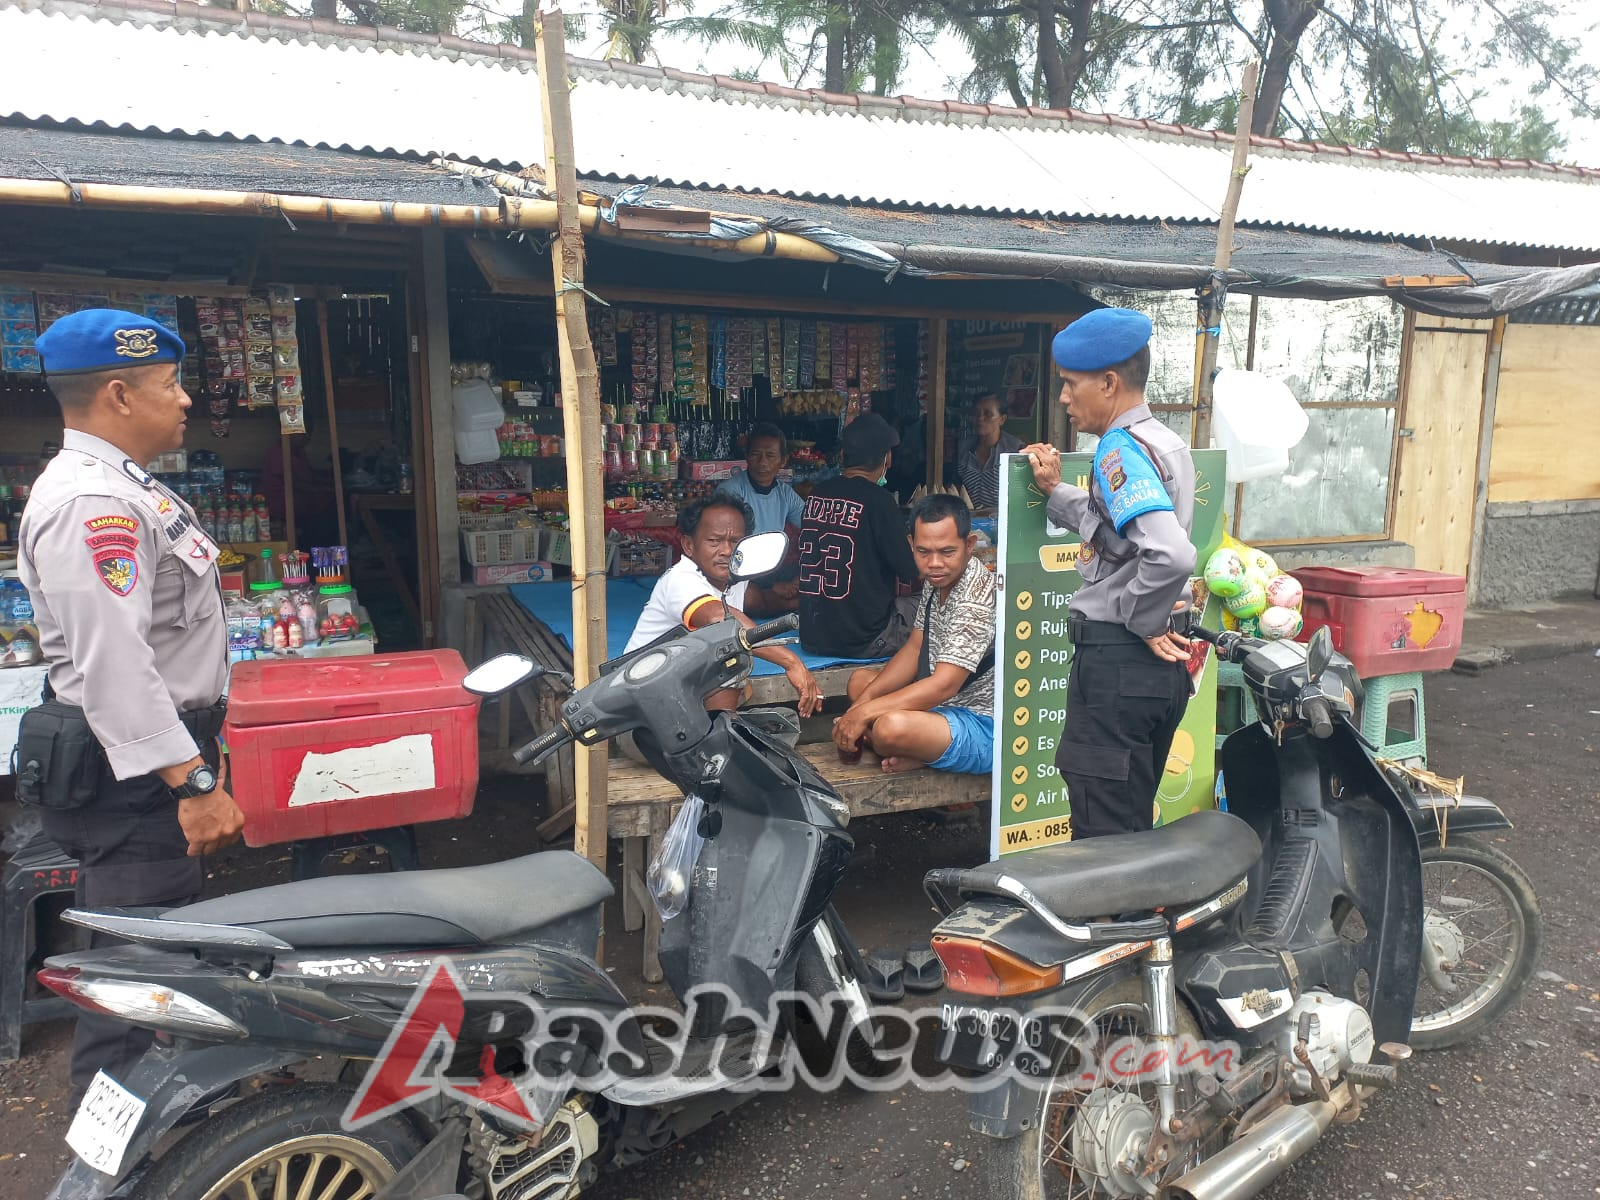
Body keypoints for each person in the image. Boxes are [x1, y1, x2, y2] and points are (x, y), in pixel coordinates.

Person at [16, 309, 245, 1100]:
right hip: (138, 780)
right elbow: (114, 666)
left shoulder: (123, 486)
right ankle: (108, 1166)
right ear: (118, 393)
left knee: (154, 964)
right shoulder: (93, 504)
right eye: (170, 384)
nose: (184, 400)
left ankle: (174, 1132)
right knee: (132, 988)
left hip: (144, 768)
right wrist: (192, 783)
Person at [1022, 307, 1197, 841]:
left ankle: (1119, 925)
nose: (1064, 399)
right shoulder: (1163, 441)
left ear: (1110, 382)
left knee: (1104, 845)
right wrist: (1057, 493)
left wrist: (1142, 623)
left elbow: (1170, 553)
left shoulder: (1118, 452)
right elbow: (1124, 537)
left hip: (1121, 662)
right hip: (1151, 677)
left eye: (1072, 385)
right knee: (1128, 826)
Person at [830, 494, 995, 775]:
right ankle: (922, 752)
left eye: (946, 552)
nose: (934, 563)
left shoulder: (976, 596)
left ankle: (920, 753)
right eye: (923, 552)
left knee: (888, 727)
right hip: (939, 708)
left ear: (969, 546)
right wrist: (860, 706)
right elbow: (915, 648)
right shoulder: (937, 579)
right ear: (911, 546)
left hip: (980, 722)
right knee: (860, 684)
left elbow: (944, 686)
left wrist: (864, 714)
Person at [624, 494, 821, 719]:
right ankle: (720, 739)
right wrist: (792, 662)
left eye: (735, 541)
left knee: (730, 658)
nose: (727, 551)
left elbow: (763, 602)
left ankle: (721, 734)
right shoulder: (681, 578)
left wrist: (807, 600)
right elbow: (721, 619)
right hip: (641, 707)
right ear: (689, 545)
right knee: (730, 655)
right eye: (714, 541)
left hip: (680, 694)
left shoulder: (734, 576)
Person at [797, 413, 920, 659]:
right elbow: (911, 570)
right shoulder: (880, 501)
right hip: (865, 640)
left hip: (813, 637)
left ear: (843, 456)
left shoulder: (816, 494)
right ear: (887, 458)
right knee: (935, 602)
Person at [715, 423, 804, 536]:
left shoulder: (785, 494)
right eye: (755, 454)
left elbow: (809, 522)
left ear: (783, 461)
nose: (762, 462)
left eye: (770, 456)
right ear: (747, 456)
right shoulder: (730, 491)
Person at [954, 393, 1024, 511]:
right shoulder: (962, 449)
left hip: (1003, 522)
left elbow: (1021, 495)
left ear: (1002, 419)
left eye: (988, 414)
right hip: (967, 521)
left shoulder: (1016, 451)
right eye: (977, 413)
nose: (980, 418)